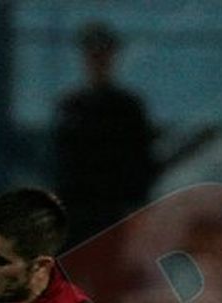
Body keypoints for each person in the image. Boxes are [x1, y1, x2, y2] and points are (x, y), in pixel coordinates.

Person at [52, 21, 158, 250]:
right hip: (77, 212)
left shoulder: (127, 108)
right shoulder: (71, 107)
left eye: (102, 55)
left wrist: (136, 205)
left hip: (114, 211)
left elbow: (140, 160)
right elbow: (61, 162)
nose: (98, 61)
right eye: (93, 55)